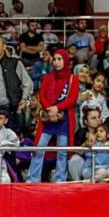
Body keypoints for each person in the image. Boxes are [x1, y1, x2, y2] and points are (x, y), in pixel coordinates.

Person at [28, 48, 78, 183]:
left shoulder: (73, 79)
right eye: (54, 59)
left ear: (66, 61)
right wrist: (51, 109)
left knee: (62, 152)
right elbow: (42, 96)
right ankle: (32, 180)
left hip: (64, 120)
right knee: (39, 149)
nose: (56, 62)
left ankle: (60, 180)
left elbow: (72, 99)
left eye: (59, 59)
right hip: (48, 119)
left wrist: (57, 108)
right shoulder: (47, 78)